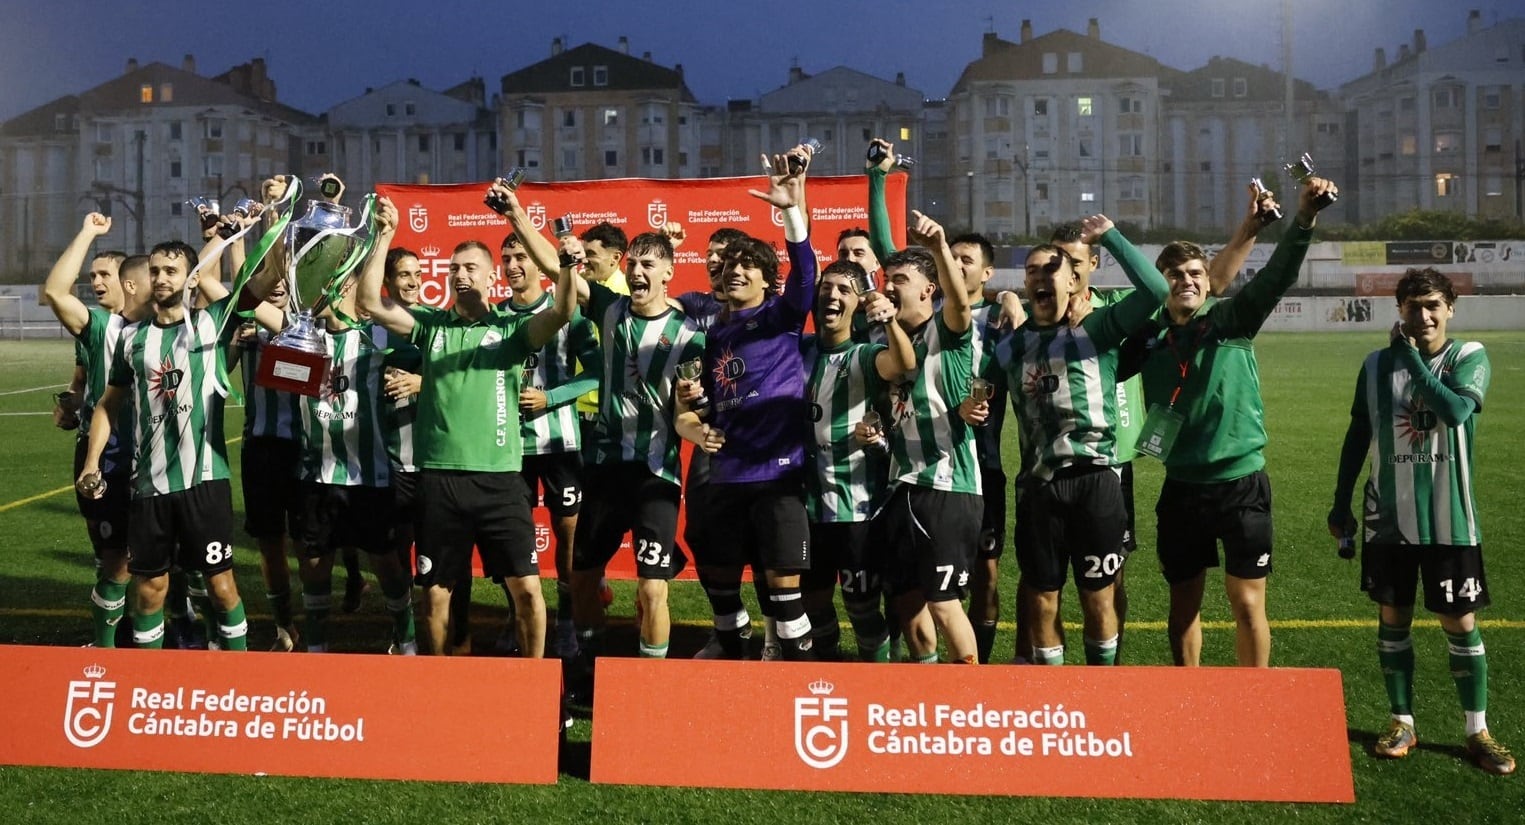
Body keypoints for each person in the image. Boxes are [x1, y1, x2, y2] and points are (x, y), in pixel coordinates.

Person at [1118, 176, 1336, 667]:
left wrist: (1304, 218)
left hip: (1241, 484)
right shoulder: (1144, 338)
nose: (1187, 280)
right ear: (1161, 284)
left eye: (1195, 272)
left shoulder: (1229, 322)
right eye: (1174, 274)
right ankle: (1192, 699)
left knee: (1247, 603)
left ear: (1207, 278)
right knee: (1183, 608)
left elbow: (1276, 276)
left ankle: (1253, 704)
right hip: (1182, 488)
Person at [357, 191, 576, 658]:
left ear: (491, 277)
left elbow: (560, 311)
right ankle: (439, 688)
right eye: (454, 268)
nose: (460, 275)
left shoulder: (513, 332)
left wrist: (568, 267)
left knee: (527, 592)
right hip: (440, 482)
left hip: (500, 481)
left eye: (470, 267)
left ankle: (533, 686)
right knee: (436, 594)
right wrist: (385, 234)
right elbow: (369, 302)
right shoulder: (430, 326)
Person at [1329, 267, 1514, 775]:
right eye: (1413, 306)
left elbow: (1455, 411)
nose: (1424, 315)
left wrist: (1410, 358)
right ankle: (1402, 719)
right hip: (1387, 519)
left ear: (1450, 307)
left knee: (1460, 621)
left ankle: (1477, 730)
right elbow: (1356, 434)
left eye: (1433, 305)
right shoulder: (1373, 366)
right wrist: (1340, 501)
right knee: (1393, 617)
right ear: (1400, 311)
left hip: (1449, 517)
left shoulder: (1468, 356)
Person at [978, 215, 1166, 666]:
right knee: (1042, 598)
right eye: (1032, 271)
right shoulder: (1011, 346)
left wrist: (1110, 237)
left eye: (1051, 270)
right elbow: (980, 385)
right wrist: (973, 404)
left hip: (1095, 481)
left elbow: (1156, 292)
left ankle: (1098, 695)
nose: (1041, 277)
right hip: (1039, 489)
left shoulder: (1097, 328)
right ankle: (1054, 699)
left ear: (1072, 281)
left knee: (1097, 599)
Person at [78, 240, 279, 651]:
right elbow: (107, 405)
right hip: (148, 487)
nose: (161, 278)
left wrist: (272, 236)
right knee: (150, 589)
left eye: (171, 271)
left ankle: (236, 679)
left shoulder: (214, 322)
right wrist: (92, 462)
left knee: (221, 587)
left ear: (190, 278)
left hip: (204, 482)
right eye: (155, 271)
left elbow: (261, 282)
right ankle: (148, 682)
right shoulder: (132, 340)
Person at [675, 148, 818, 660]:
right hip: (724, 475)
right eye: (730, 265)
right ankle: (731, 652)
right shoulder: (715, 334)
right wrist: (695, 415)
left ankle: (793, 680)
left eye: (747, 266)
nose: (735, 272)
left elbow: (805, 275)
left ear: (766, 280)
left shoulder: (781, 317)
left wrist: (790, 212)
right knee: (718, 579)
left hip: (776, 475)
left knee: (785, 603)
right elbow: (708, 402)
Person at [566, 226, 701, 685]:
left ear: (669, 272)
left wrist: (700, 429)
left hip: (655, 475)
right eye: (634, 264)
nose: (637, 271)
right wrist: (518, 214)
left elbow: (686, 410)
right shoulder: (610, 307)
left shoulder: (688, 336)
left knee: (652, 586)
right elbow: (555, 267)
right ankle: (589, 663)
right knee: (582, 575)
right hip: (605, 469)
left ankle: (650, 685)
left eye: (648, 264)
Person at [867, 213, 980, 664]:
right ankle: (926, 699)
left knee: (943, 602)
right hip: (901, 487)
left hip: (946, 488)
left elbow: (962, 304)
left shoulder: (947, 332)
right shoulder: (890, 339)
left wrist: (939, 246)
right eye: (887, 278)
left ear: (927, 290)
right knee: (908, 603)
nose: (889, 286)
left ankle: (970, 702)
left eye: (901, 279)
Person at [290, 269, 418, 656]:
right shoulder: (301, 338)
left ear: (349, 289)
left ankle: (406, 638)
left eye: (329, 284)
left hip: (370, 474)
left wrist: (417, 379)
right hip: (316, 473)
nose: (320, 292)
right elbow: (251, 312)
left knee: (386, 562)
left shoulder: (380, 337)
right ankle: (317, 646)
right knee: (314, 561)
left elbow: (437, 361)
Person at [41, 215, 148, 647]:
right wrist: (87, 232)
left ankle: (166, 632)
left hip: (155, 455)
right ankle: (110, 647)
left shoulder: (165, 325)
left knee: (146, 558)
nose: (96, 281)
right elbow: (54, 292)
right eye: (93, 275)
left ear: (129, 281)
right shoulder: (100, 325)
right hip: (104, 454)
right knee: (112, 556)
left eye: (104, 274)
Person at [799, 259, 911, 661]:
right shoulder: (801, 350)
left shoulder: (865, 355)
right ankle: (829, 675)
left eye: (844, 290)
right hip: (806, 506)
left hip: (856, 508)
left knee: (862, 608)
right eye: (826, 287)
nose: (832, 295)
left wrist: (891, 322)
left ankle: (875, 683)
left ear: (857, 305)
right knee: (813, 602)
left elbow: (902, 365)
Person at [498, 229, 602, 660]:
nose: (513, 266)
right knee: (513, 540)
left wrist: (551, 397)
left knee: (568, 536)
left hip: (560, 443)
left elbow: (600, 372)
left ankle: (565, 621)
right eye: (506, 259)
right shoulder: (495, 316)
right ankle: (516, 616)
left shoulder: (568, 312)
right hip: (509, 448)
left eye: (521, 256)